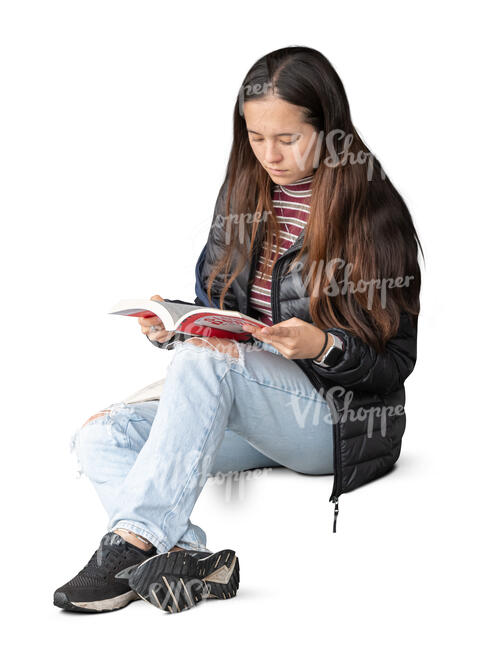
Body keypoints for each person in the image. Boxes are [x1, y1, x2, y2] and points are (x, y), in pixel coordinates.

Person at [54, 45, 422, 614]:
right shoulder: (242, 199)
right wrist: (175, 325)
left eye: (288, 138)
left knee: (204, 364)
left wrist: (323, 345)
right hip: (248, 406)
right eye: (255, 138)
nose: (269, 155)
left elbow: (395, 362)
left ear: (330, 130)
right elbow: (218, 308)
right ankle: (194, 562)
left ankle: (127, 546)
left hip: (329, 422)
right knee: (101, 436)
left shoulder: (375, 216)